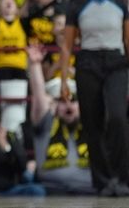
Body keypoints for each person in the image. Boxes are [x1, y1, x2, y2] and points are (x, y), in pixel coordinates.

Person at [58, 0, 129, 197]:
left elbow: (128, 40)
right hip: (88, 63)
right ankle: (103, 182)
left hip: (116, 63)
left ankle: (121, 178)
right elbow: (67, 45)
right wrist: (64, 80)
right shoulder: (76, 5)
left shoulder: (119, 2)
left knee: (117, 118)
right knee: (92, 125)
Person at [28, 45, 94, 195]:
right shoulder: (46, 123)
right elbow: (39, 97)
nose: (68, 105)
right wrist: (35, 65)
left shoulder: (92, 123)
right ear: (55, 106)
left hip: (89, 192)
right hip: (52, 192)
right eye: (62, 101)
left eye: (73, 101)